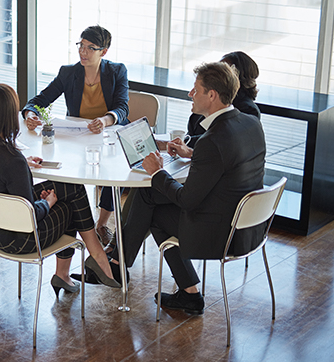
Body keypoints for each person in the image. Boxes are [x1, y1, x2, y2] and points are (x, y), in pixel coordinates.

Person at [108, 61, 266, 315]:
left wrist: (157, 171)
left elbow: (187, 201)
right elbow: (226, 161)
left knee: (154, 209)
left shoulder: (213, 141)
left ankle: (120, 265)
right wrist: (191, 153)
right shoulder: (250, 123)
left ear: (212, 95)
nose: (190, 94)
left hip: (221, 234)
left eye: (196, 89)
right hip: (250, 227)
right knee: (150, 193)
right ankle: (122, 264)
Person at [0, 83, 120, 296]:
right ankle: (97, 258)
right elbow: (30, 217)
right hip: (20, 240)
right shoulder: (12, 160)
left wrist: (24, 164)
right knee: (70, 202)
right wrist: (47, 203)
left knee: (69, 187)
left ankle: (70, 272)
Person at [21, 25, 130, 247]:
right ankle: (74, 222)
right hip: (78, 136)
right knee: (68, 172)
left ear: (104, 52)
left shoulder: (117, 71)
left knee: (110, 173)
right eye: (81, 45)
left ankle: (102, 224)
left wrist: (105, 120)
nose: (83, 51)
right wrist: (30, 114)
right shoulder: (68, 73)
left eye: (91, 48)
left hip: (108, 133)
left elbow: (122, 108)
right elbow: (39, 100)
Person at [186, 51, 260, 147]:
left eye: (223, 70)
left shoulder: (248, 111)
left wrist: (182, 144)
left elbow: (224, 141)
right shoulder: (200, 109)